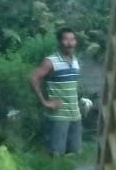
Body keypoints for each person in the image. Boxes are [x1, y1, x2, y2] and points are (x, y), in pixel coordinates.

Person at [28, 28, 83, 156]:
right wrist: (45, 102)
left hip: (75, 115)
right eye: (66, 39)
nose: (69, 43)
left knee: (74, 155)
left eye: (72, 39)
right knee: (55, 157)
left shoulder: (75, 61)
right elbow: (33, 78)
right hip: (59, 116)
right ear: (59, 42)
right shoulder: (50, 61)